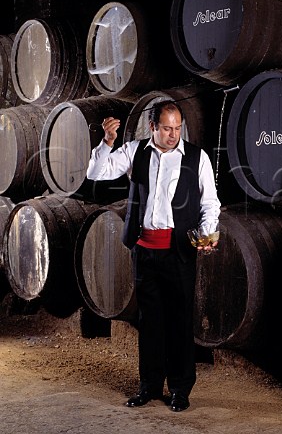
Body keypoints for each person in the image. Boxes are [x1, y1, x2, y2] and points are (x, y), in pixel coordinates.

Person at [86, 100, 221, 412]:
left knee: (179, 321)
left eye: (177, 128)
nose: (173, 134)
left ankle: (180, 389)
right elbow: (97, 171)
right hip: (145, 252)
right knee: (149, 323)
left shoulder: (196, 158)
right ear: (152, 127)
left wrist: (207, 233)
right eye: (166, 128)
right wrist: (107, 143)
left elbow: (210, 203)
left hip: (179, 253)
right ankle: (148, 386)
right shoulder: (135, 151)